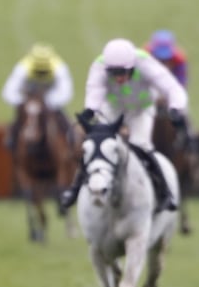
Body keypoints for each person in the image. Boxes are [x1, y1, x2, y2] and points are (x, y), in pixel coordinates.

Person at [58, 38, 189, 213]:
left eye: (123, 72)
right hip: (112, 109)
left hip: (140, 110)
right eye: (114, 73)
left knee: (141, 145)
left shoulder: (144, 62)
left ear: (133, 66)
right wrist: (90, 109)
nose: (119, 78)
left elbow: (172, 88)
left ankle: (165, 193)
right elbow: (94, 89)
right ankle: (73, 191)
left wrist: (175, 109)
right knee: (96, 145)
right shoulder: (99, 66)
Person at [1, 43, 73, 148]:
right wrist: (25, 103)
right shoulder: (22, 68)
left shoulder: (60, 68)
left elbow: (66, 93)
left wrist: (48, 102)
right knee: (17, 121)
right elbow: (9, 92)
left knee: (64, 120)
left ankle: (70, 137)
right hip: (29, 99)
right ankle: (12, 139)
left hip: (51, 99)